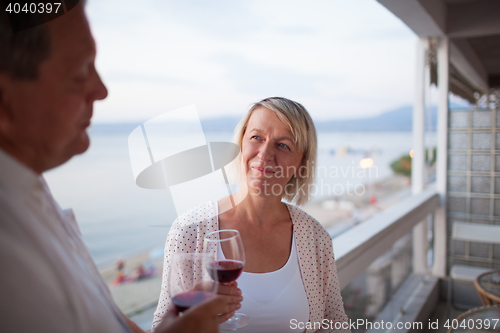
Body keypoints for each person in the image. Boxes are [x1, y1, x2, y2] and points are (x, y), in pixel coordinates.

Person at [0, 2, 241, 332]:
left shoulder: (30, 192)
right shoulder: (10, 255)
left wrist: (172, 325)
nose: (101, 90)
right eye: (81, 71)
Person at [153, 97, 350, 332]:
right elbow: (162, 326)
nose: (265, 154)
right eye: (256, 138)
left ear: (302, 164)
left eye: (283, 145)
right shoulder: (189, 230)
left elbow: (335, 323)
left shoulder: (315, 238)